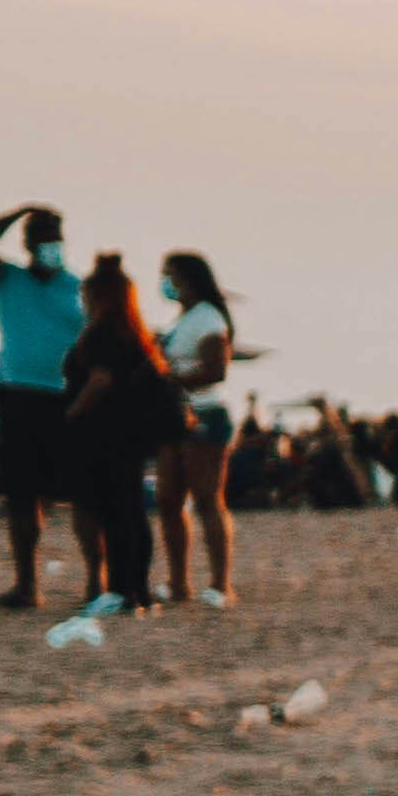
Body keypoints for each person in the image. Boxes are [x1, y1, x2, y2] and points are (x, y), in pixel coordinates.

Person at [0, 204, 85, 608]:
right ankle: (28, 584)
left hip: (67, 396)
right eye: (43, 238)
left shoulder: (78, 289)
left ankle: (98, 580)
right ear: (29, 245)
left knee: (83, 492)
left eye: (55, 238)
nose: (51, 246)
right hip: (18, 396)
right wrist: (20, 212)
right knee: (22, 492)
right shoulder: (8, 279)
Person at [60, 257, 182, 611]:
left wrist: (70, 414)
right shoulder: (134, 333)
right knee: (130, 512)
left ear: (98, 294)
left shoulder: (102, 333)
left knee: (115, 513)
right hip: (130, 434)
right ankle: (136, 589)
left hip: (103, 433)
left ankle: (121, 590)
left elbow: (99, 381)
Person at [153, 251, 245, 608]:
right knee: (168, 498)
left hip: (205, 414)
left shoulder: (208, 319)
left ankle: (221, 583)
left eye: (170, 275)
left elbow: (216, 369)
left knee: (207, 497)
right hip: (176, 417)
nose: (166, 282)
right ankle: (178, 582)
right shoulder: (185, 320)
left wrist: (174, 378)